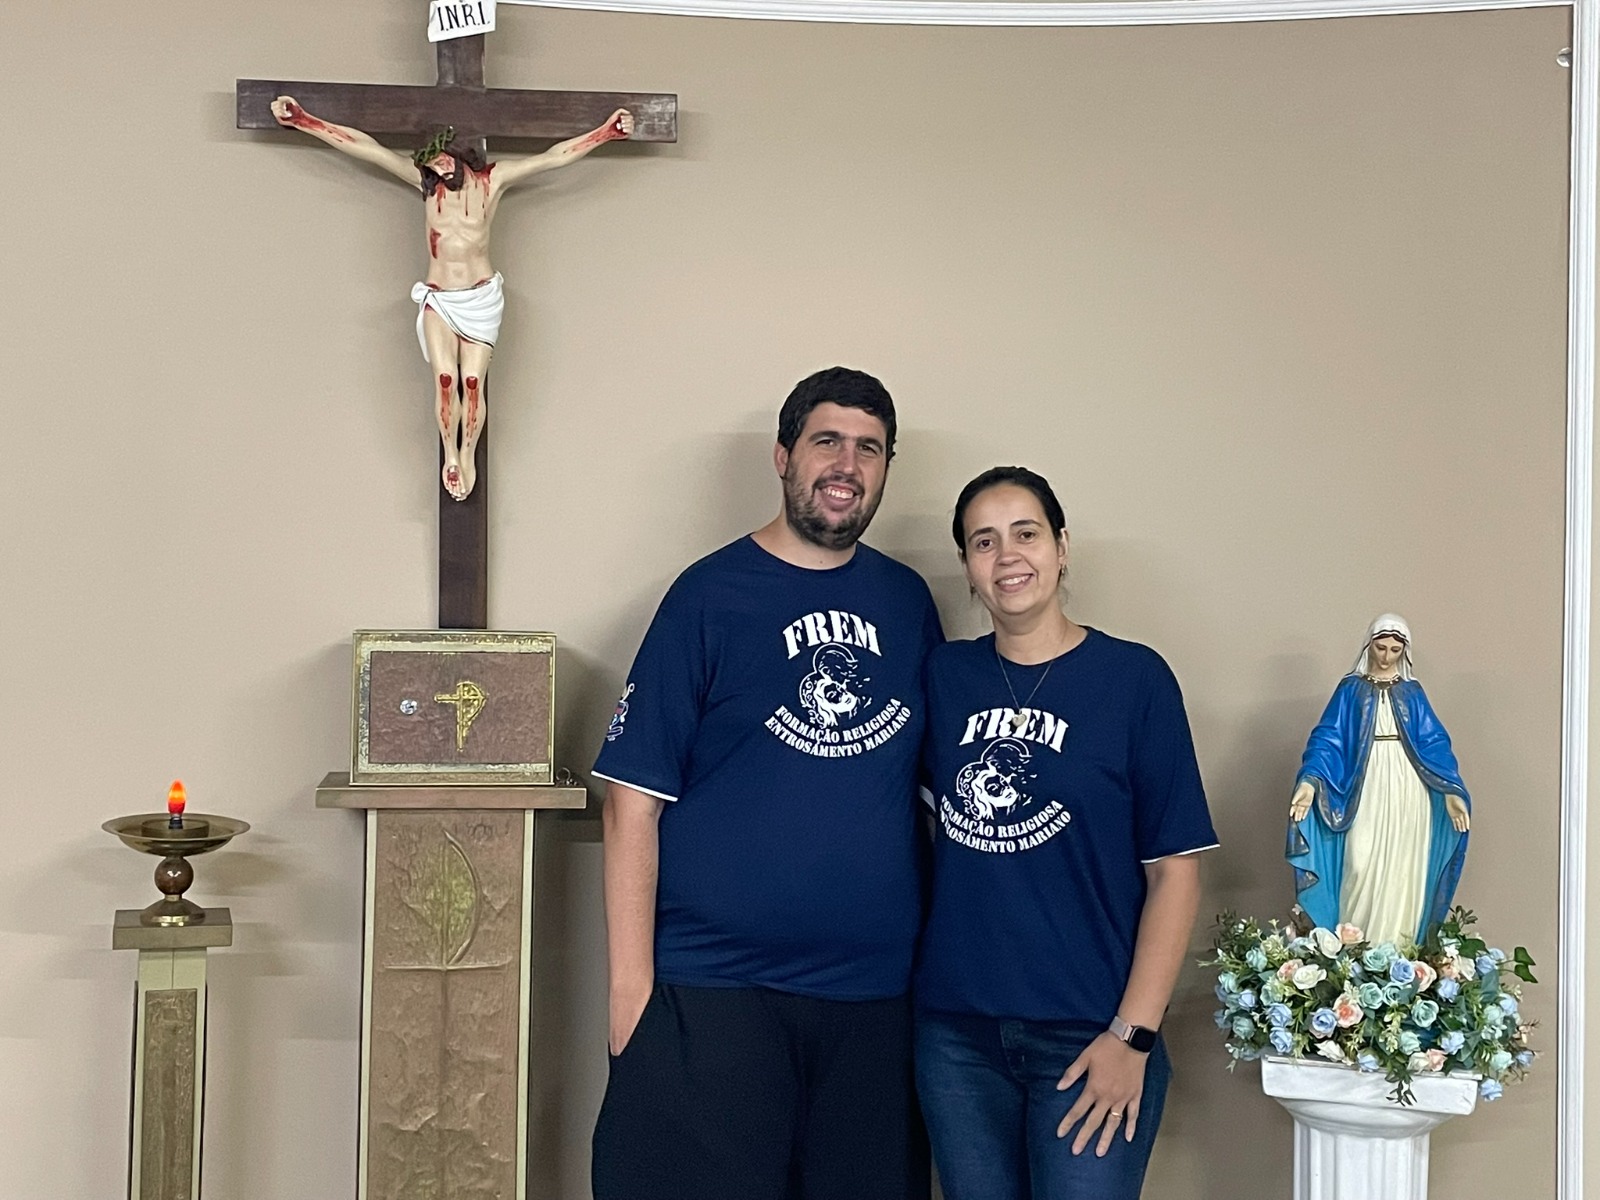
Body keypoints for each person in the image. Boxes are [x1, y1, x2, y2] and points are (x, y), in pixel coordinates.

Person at [591, 367, 944, 1200]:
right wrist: (631, 994)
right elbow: (631, 801)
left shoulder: (908, 603)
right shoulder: (707, 597)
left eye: (869, 449)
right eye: (827, 441)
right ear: (783, 456)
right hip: (717, 990)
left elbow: (938, 801)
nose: (847, 465)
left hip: (872, 1001)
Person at [914, 466, 1217, 1200]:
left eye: (1026, 533)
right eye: (984, 542)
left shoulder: (1135, 680)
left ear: (1062, 546)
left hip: (1091, 1033)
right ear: (967, 568)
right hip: (956, 1036)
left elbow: (1174, 872)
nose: (1007, 556)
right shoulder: (943, 678)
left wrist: (1133, 1036)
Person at [269, 96, 634, 500]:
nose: (439, 168)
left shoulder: (492, 181)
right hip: (439, 298)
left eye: (443, 159)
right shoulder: (426, 187)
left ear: (459, 154)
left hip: (480, 297)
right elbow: (368, 149)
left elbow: (552, 158)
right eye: (432, 163)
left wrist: (606, 133)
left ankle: (469, 453)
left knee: (472, 383)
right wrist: (305, 120)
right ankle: (451, 456)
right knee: (446, 381)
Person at [1287, 614, 1471, 946]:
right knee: (1359, 861)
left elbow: (1434, 743)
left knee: (1403, 869)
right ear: (1368, 645)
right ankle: (1355, 952)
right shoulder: (1350, 689)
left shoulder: (1412, 692)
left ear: (1405, 651)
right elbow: (1328, 739)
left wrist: (1451, 790)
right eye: (1381, 647)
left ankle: (1397, 952)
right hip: (1365, 782)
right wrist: (1310, 782)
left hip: (1409, 785)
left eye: (1394, 650)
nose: (1386, 656)